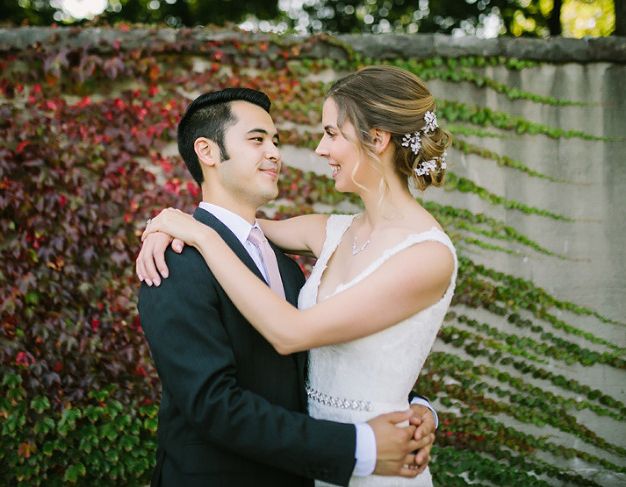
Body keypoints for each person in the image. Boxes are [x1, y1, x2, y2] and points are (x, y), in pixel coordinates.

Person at [139, 66, 457, 486]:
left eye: (331, 133)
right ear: (208, 151)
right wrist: (171, 223)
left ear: (377, 139)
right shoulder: (178, 259)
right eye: (258, 140)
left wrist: (412, 406)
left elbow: (306, 351)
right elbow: (215, 405)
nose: (309, 150)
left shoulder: (413, 254)